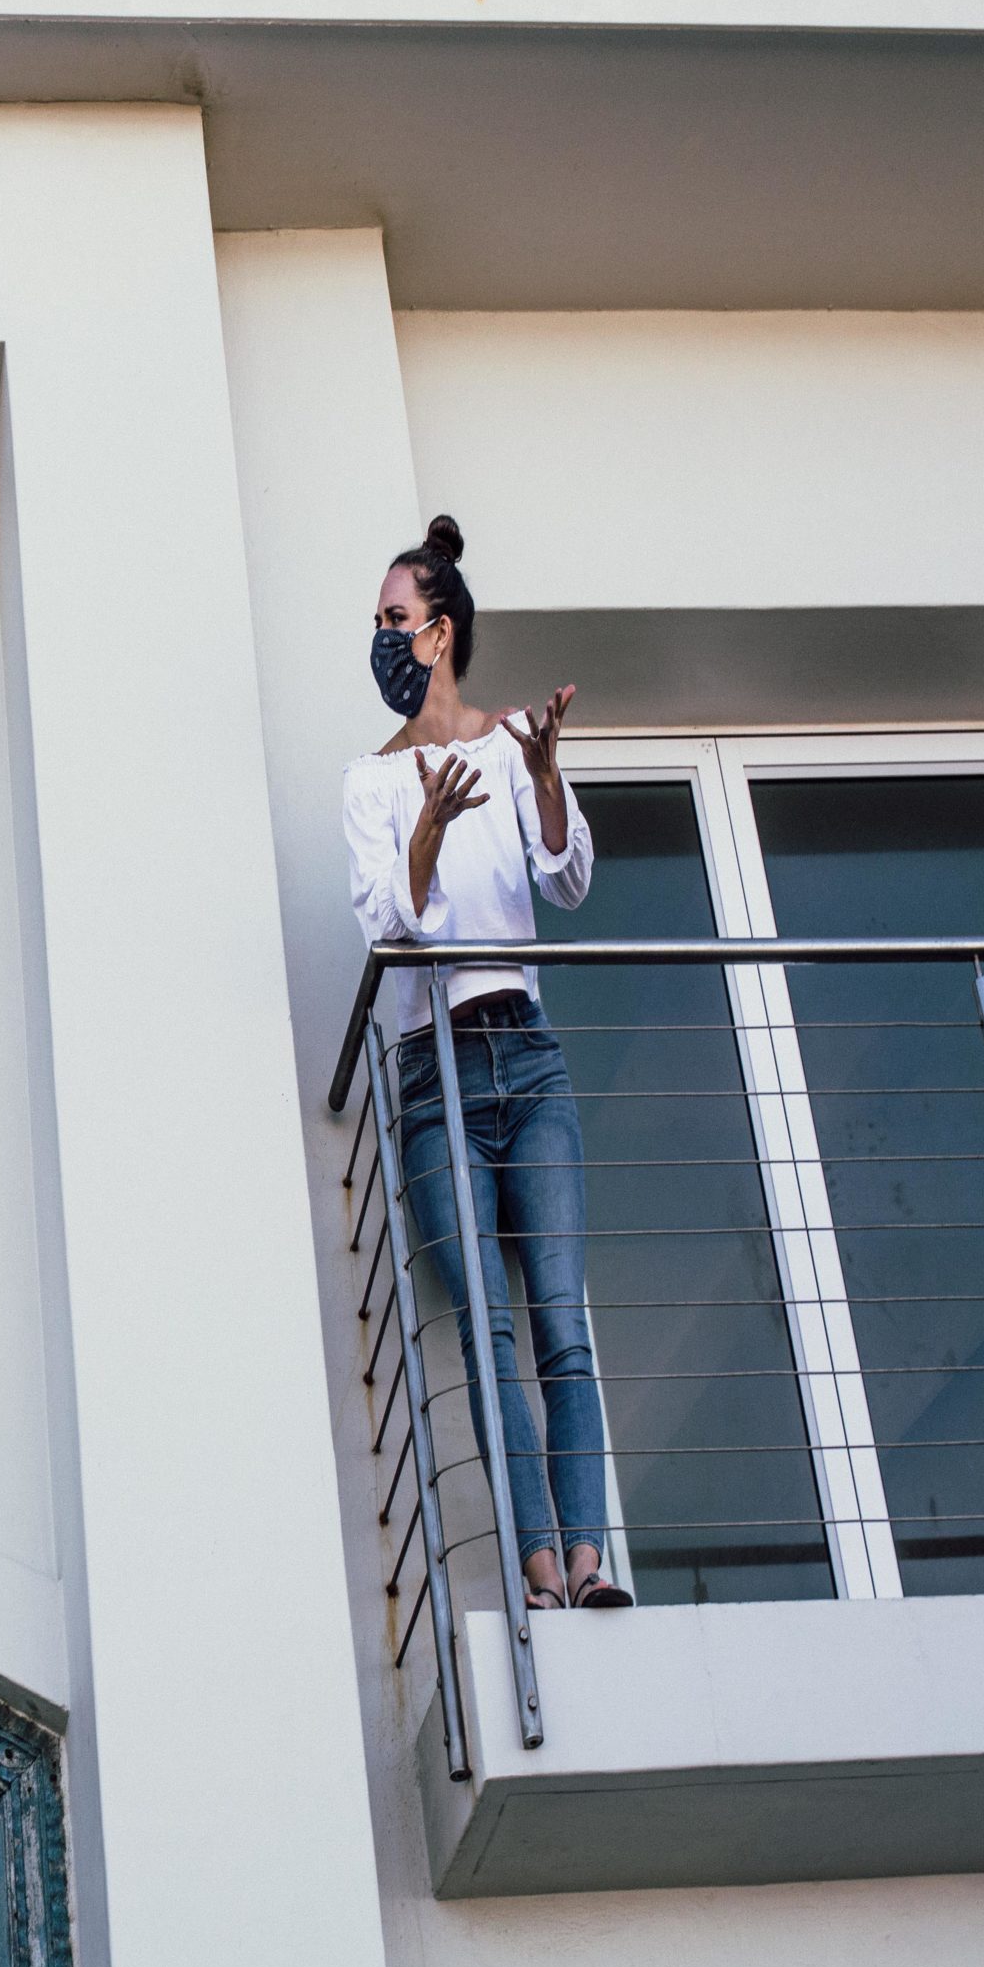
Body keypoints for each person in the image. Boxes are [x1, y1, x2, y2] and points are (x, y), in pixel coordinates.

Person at [341, 516, 629, 1613]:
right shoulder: (369, 785)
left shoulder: (512, 744)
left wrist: (547, 779)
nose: (380, 638)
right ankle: (539, 1571)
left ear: (440, 631)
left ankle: (591, 1565)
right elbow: (386, 925)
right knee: (491, 1329)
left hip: (529, 1055)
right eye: (375, 622)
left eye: (392, 620)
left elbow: (564, 883)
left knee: (561, 1316)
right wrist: (420, 834)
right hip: (434, 1074)